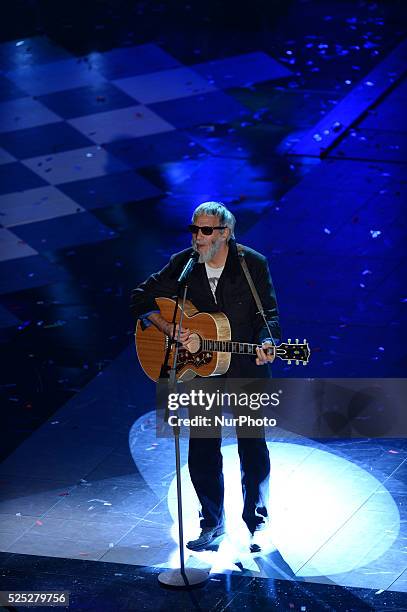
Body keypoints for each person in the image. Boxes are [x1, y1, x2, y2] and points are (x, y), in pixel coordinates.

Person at [130, 202, 281, 552]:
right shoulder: (183, 264)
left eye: (207, 230)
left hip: (245, 366)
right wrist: (170, 328)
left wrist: (267, 341)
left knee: (252, 444)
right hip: (199, 369)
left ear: (225, 232)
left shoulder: (251, 263)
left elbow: (268, 314)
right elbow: (140, 297)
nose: (199, 237)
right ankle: (212, 522)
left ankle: (256, 521)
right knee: (202, 446)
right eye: (195, 229)